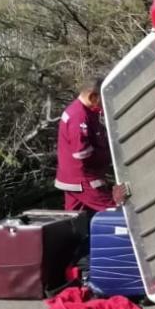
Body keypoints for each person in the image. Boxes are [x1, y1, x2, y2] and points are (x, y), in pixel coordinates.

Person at [55, 77, 115, 213]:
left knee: (74, 220)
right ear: (93, 97)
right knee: (113, 211)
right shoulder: (79, 116)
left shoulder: (85, 112)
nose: (104, 104)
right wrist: (108, 156)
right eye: (103, 99)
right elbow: (82, 152)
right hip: (83, 180)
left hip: (74, 180)